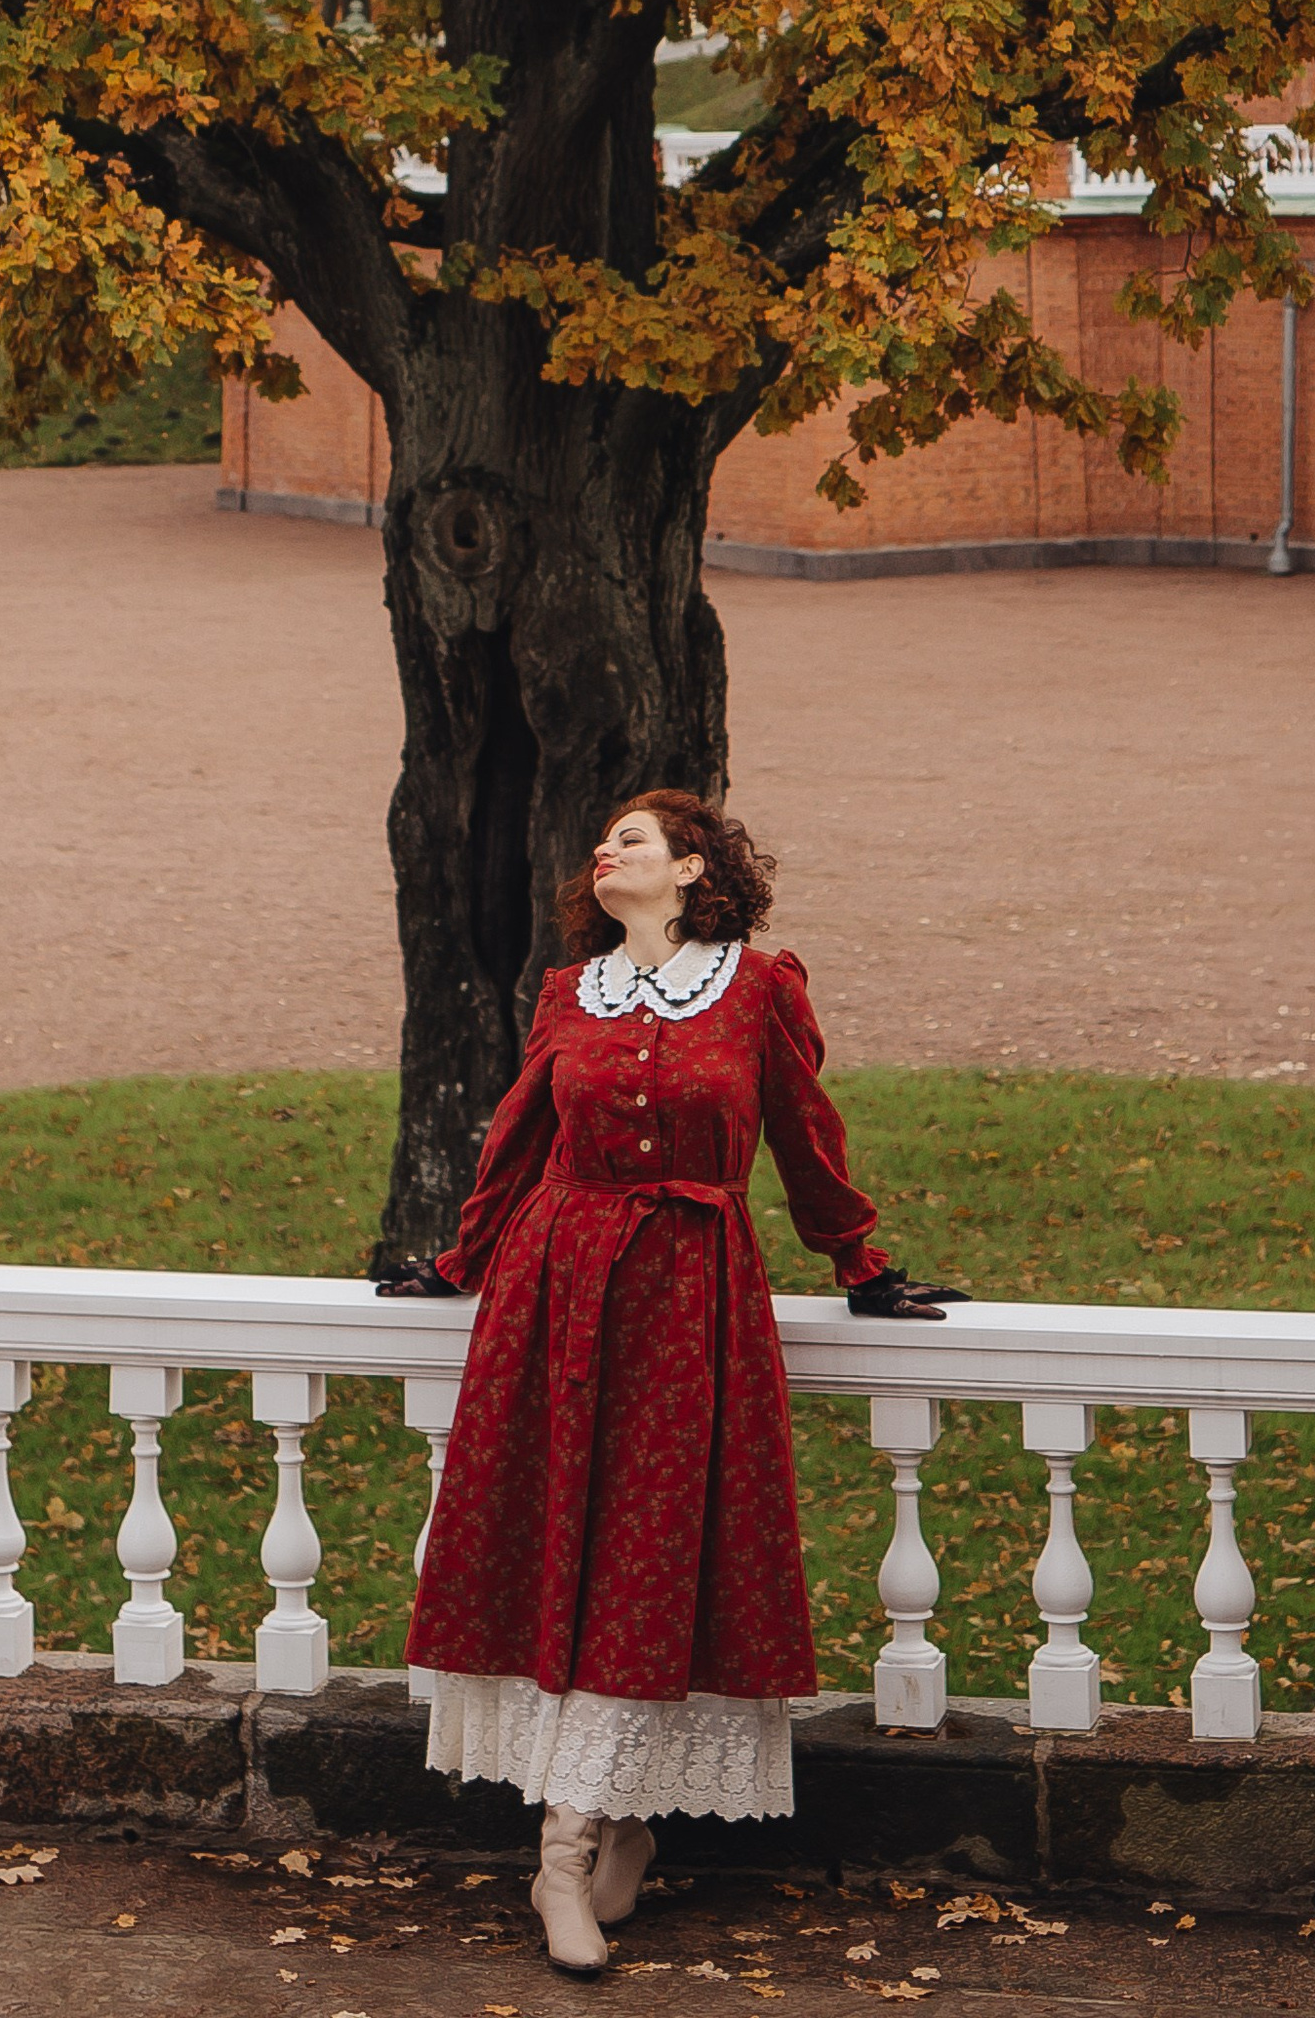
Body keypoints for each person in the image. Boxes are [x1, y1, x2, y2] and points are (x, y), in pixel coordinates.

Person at [378, 789, 952, 1979]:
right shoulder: (564, 994)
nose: (605, 852)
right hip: (556, 1288)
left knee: (650, 1556)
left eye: (630, 840)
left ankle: (575, 1841)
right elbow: (517, 1140)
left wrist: (862, 1263)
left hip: (691, 1296)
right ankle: (596, 1836)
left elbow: (806, 1134)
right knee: (564, 1550)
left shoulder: (755, 988)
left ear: (692, 868)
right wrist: (461, 1262)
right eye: (599, 843)